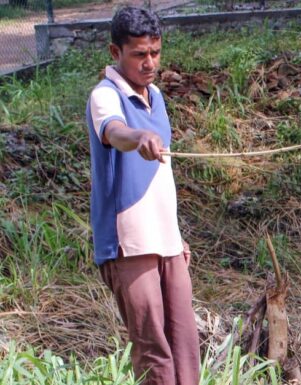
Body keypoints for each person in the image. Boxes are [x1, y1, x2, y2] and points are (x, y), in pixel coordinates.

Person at [86, 6, 199, 385]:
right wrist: (139, 138)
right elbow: (115, 131)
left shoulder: (155, 97)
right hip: (129, 244)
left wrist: (177, 235)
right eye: (139, 54)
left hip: (167, 242)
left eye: (155, 52)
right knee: (154, 353)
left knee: (185, 346)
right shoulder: (105, 96)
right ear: (115, 53)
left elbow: (162, 178)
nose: (149, 63)